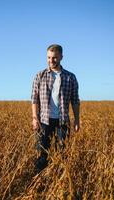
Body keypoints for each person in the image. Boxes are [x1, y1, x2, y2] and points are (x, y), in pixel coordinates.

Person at [31, 44, 80, 172]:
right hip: (44, 121)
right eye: (48, 57)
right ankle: (39, 183)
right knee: (41, 153)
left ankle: (58, 182)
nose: (51, 60)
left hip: (63, 121)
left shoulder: (70, 77)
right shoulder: (39, 76)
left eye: (54, 58)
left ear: (61, 57)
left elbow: (75, 100)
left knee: (62, 154)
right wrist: (35, 118)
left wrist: (77, 120)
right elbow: (34, 99)